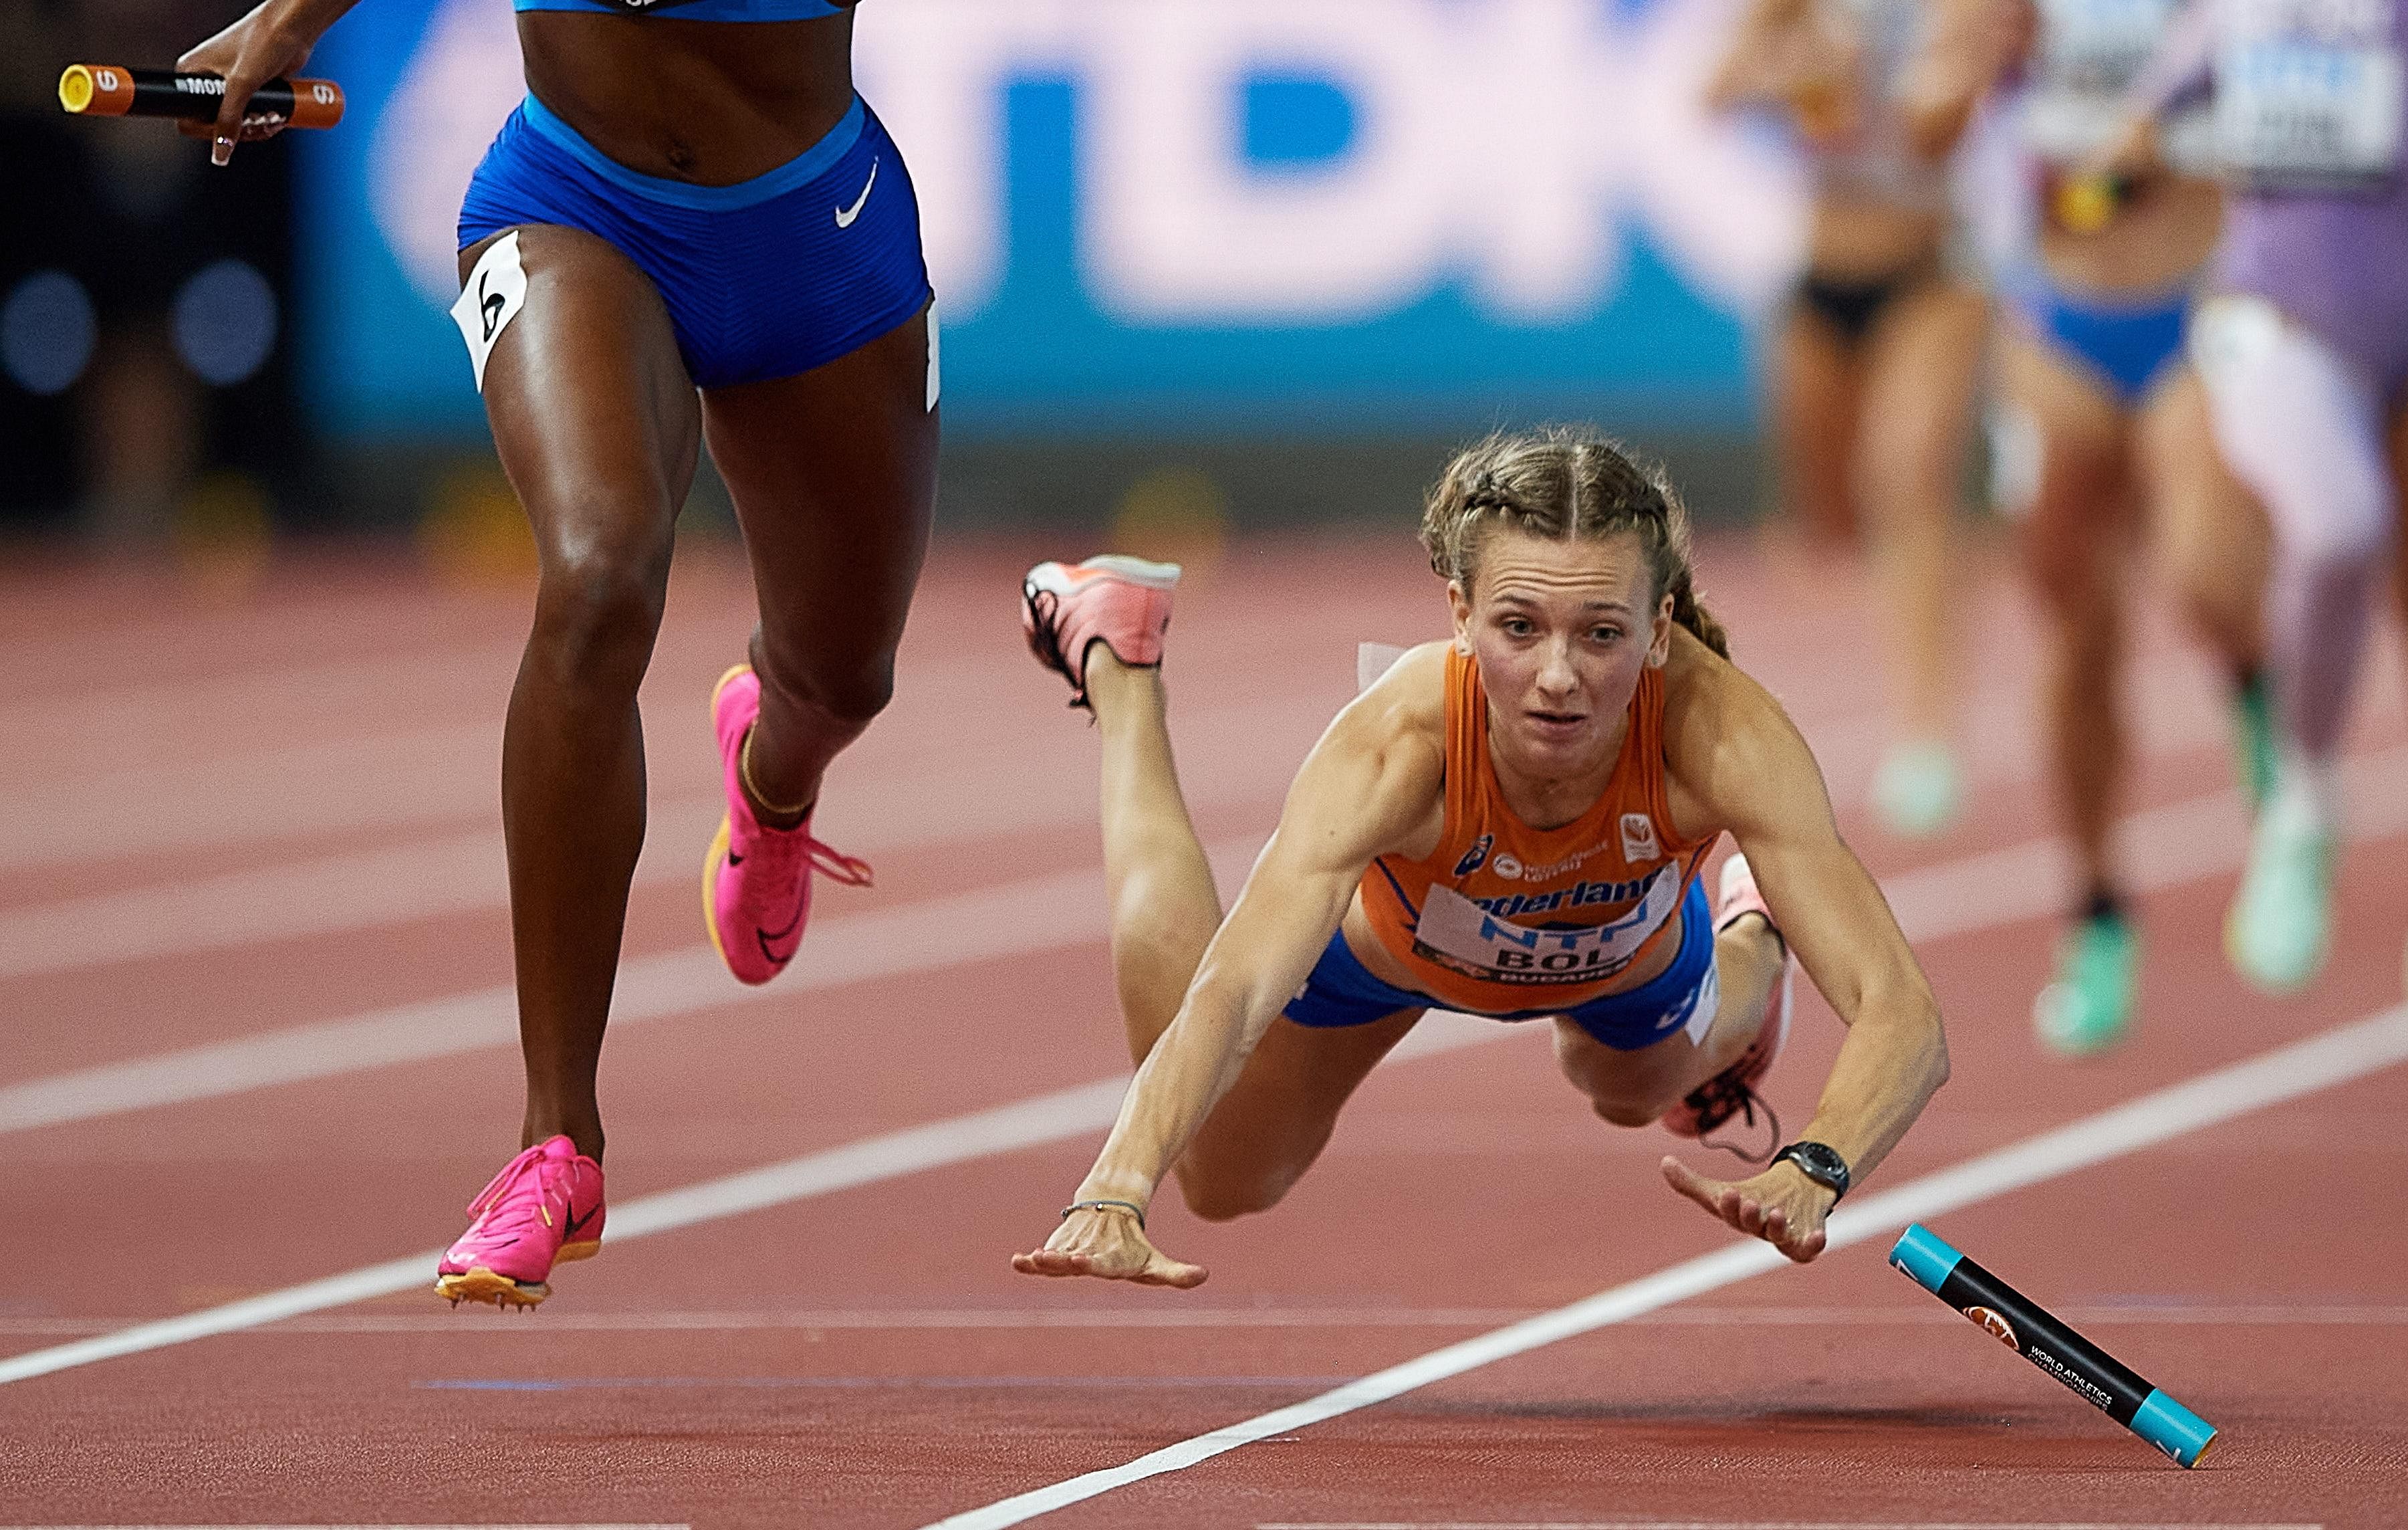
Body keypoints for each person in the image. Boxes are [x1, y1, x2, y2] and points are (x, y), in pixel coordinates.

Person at [176, 0, 936, 1305]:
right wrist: (289, 22)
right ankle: (555, 1142)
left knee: (842, 674)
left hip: (814, 234)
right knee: (594, 579)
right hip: (573, 205)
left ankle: (775, 777)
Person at [1010, 429, 1949, 1289]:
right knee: (1222, 1182)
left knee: (1629, 1092)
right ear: (1460, 616)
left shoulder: (1723, 737)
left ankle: (1755, 923)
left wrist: (1817, 1167)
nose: (1556, 675)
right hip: (1377, 961)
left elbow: (1902, 1013)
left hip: (1620, 957)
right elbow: (1237, 986)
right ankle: (1120, 667)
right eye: (1518, 628)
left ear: (1658, 630)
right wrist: (1114, 1185)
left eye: (1601, 634)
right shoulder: (1395, 745)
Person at [1898, 0, 2271, 1053]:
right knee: (2074, 629)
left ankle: (2252, 685)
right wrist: (1972, 64)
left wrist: (2177, 128)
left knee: (2204, 574)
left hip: (2197, 302)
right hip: (2056, 323)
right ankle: (2097, 906)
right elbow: (1924, 127)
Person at [2110, 0, 2408, 993]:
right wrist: (2121, 167)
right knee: (2335, 526)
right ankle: (2302, 802)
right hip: (2282, 319)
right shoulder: (2233, 15)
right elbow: (2130, 137)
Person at [1707, 0, 1989, 838]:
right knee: (1826, 528)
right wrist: (1786, 71)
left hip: (1929, 272)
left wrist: (1892, 89)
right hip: (1819, 278)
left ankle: (1926, 732)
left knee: (1907, 478)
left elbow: (1946, 127)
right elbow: (1714, 92)